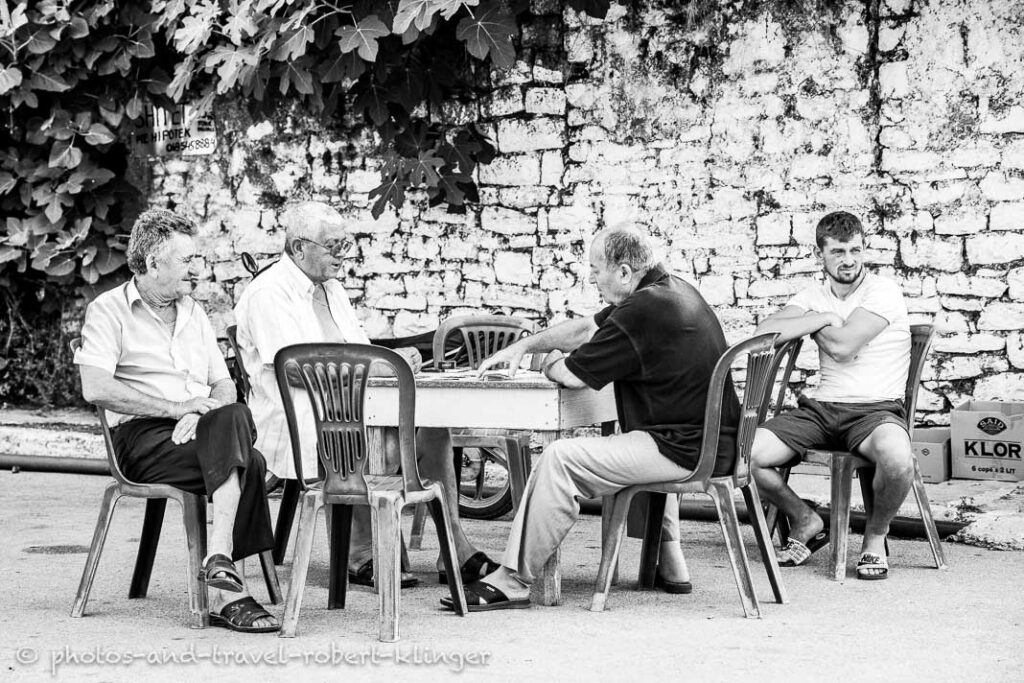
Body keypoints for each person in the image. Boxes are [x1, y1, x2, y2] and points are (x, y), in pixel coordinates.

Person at [440, 226, 740, 611]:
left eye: (596, 269)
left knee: (559, 458)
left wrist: (545, 361)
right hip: (714, 445)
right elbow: (586, 328)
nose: (592, 278)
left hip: (683, 451)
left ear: (624, 271)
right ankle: (670, 559)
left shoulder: (643, 311)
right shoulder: (672, 290)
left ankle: (513, 579)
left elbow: (569, 375)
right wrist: (524, 345)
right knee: (633, 434)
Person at [233, 201, 498, 588]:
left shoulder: (333, 289)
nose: (343, 254)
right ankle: (362, 552)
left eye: (346, 243)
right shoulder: (268, 293)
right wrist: (376, 366)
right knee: (365, 435)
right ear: (298, 248)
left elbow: (357, 349)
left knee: (433, 428)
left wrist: (390, 362)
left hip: (354, 404)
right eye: (333, 246)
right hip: (299, 415)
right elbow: (293, 371)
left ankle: (452, 546)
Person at [75, 209, 279, 633]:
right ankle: (227, 593)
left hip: (200, 431)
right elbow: (95, 387)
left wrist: (202, 409)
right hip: (140, 437)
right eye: (187, 261)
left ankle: (220, 561)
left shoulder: (194, 314)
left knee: (234, 413)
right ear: (153, 264)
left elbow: (224, 386)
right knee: (252, 463)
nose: (196, 270)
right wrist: (176, 410)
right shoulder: (108, 310)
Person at [750, 211, 912, 581]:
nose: (849, 260)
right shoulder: (814, 296)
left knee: (899, 459)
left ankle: (875, 537)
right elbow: (765, 331)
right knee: (745, 454)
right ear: (820, 254)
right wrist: (821, 318)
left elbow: (842, 347)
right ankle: (804, 519)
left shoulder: (882, 290)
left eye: (856, 249)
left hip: (875, 410)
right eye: (838, 251)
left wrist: (808, 323)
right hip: (821, 410)